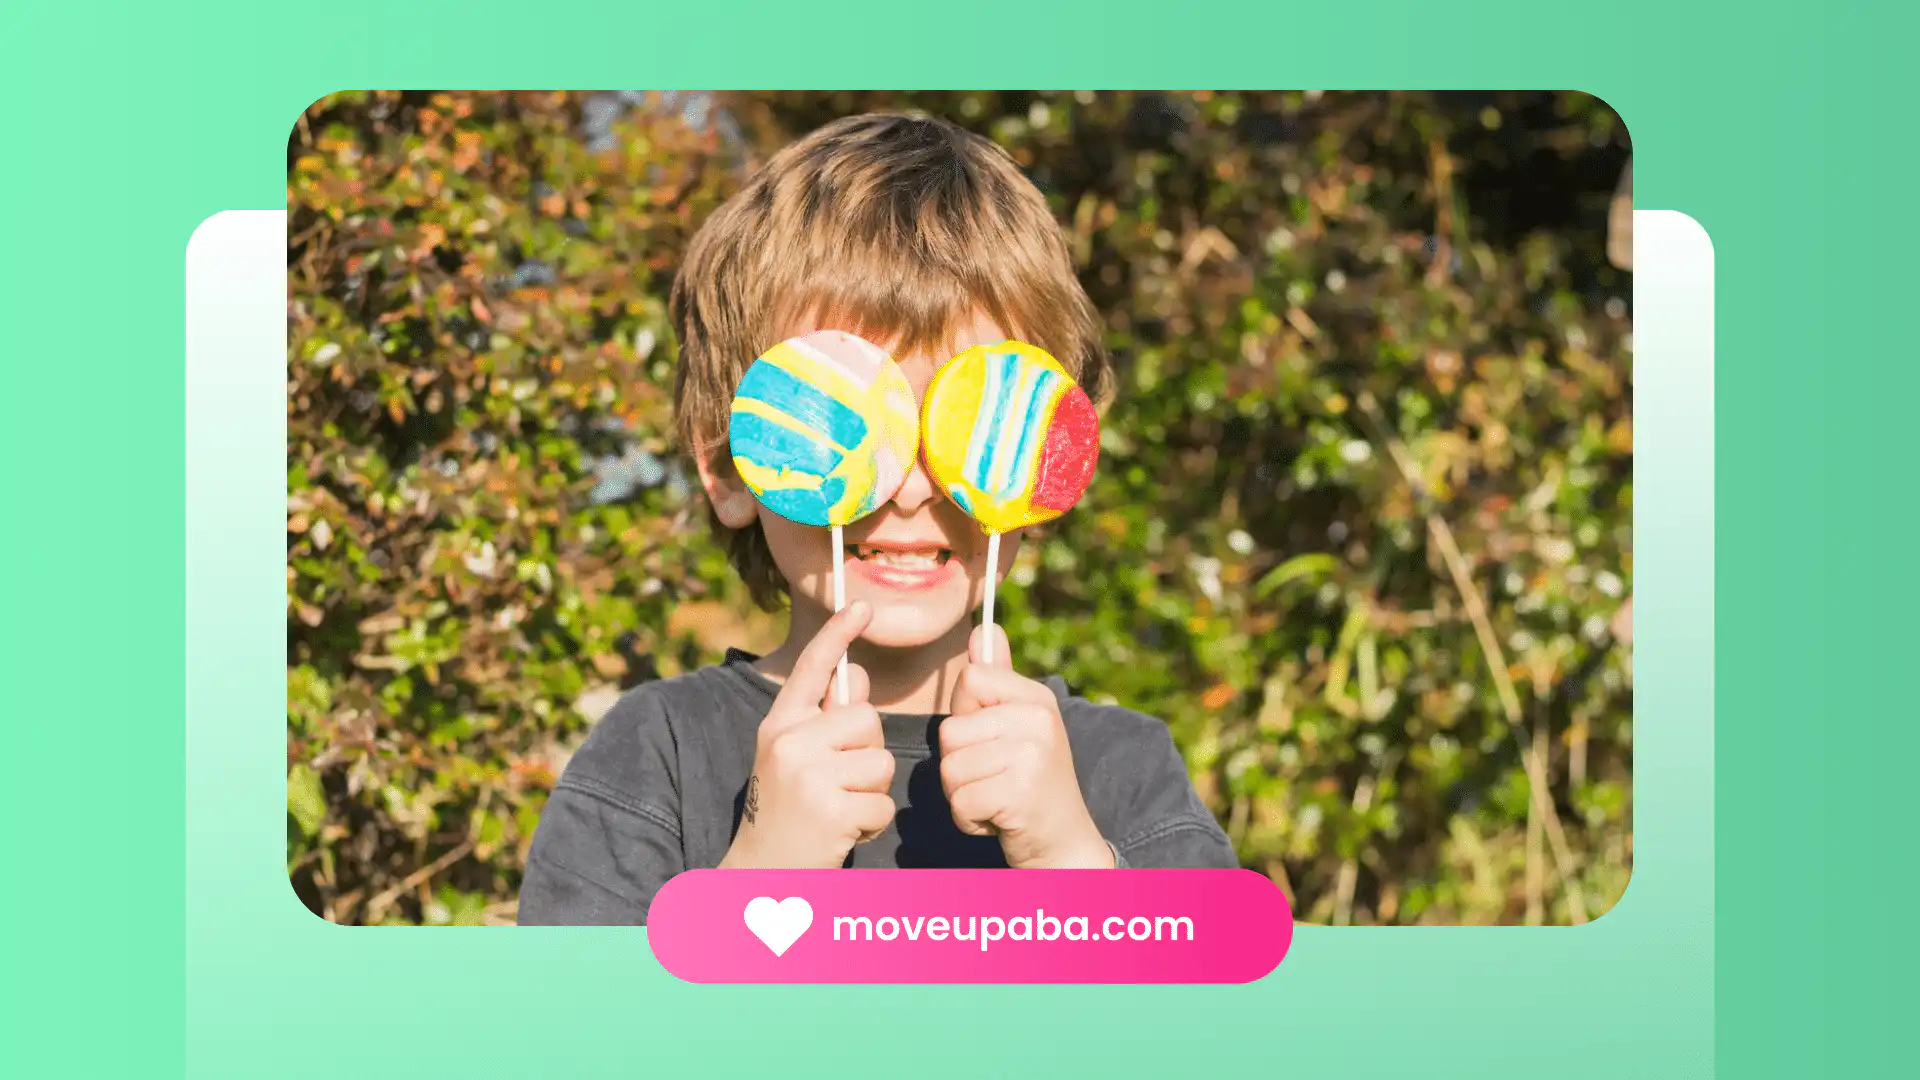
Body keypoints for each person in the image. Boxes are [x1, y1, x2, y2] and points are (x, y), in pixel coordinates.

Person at [518, 113, 1236, 926]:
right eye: (839, 420)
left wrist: (1073, 867)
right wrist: (762, 873)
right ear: (727, 469)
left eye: (967, 424)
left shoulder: (1120, 775)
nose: (906, 490)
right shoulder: (658, 761)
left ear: (1038, 460)